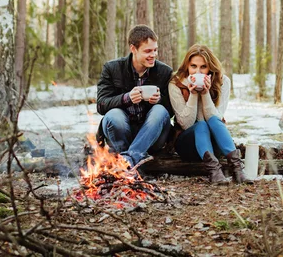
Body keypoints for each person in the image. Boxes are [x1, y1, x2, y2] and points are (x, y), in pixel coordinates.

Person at [168, 44, 252, 184]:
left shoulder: (223, 82)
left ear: (210, 68)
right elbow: (186, 123)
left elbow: (216, 119)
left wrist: (205, 94)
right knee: (200, 125)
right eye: (193, 66)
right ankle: (214, 172)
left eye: (203, 67)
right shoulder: (176, 84)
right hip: (187, 144)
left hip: (215, 145)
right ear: (187, 66)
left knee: (213, 120)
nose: (198, 72)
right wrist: (194, 94)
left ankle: (237, 170)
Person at [96, 25, 173, 168]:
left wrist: (159, 100)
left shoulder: (164, 72)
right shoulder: (112, 69)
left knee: (160, 110)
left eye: (155, 50)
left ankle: (129, 158)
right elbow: (101, 105)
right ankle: (133, 156)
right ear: (133, 49)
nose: (153, 55)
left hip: (151, 136)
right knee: (113, 115)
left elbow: (171, 112)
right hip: (122, 133)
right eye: (148, 51)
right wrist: (126, 98)